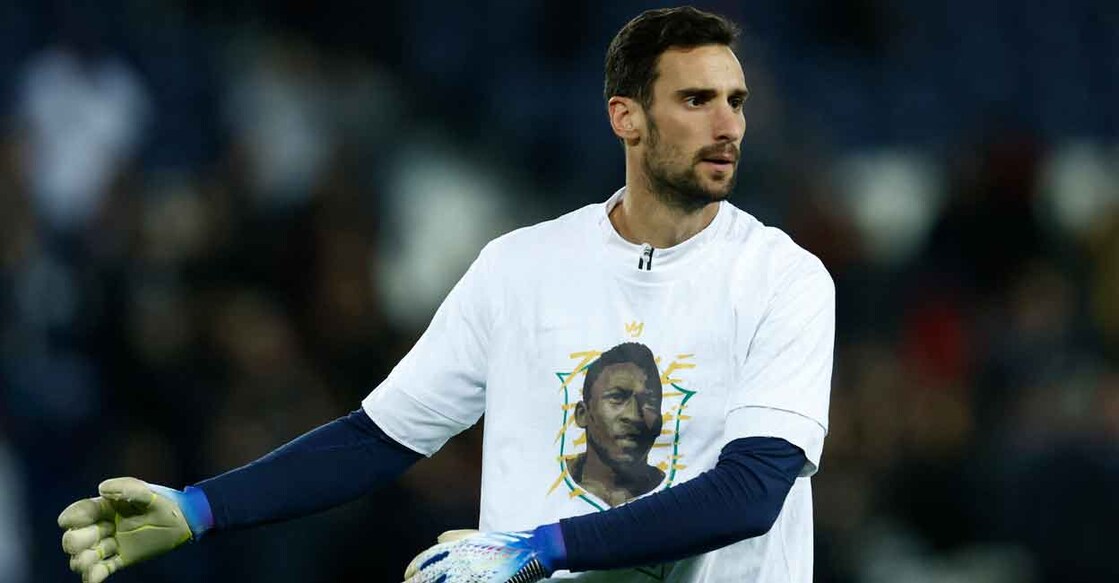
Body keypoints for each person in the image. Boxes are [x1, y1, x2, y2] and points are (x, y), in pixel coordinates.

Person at [58, 7, 834, 582]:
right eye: (696, 100)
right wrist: (199, 508)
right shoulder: (520, 267)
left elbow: (749, 490)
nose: (727, 123)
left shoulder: (783, 277)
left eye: (736, 101)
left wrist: (540, 547)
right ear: (624, 117)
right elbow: (378, 437)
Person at [569, 342, 665, 507]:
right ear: (582, 414)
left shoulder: (678, 491)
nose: (634, 416)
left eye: (649, 402)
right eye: (617, 397)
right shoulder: (544, 480)